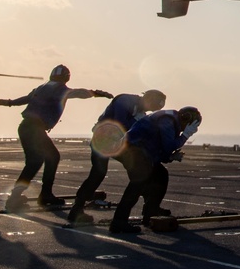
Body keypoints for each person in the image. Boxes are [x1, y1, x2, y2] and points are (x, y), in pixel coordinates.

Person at [0, 64, 112, 211]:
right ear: (66, 77)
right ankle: (43, 195)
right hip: (35, 129)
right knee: (50, 158)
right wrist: (95, 93)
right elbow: (77, 93)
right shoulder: (60, 88)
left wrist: (9, 103)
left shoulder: (41, 87)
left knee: (35, 162)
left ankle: (21, 195)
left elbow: (26, 99)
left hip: (25, 127)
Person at [67, 89, 167, 226]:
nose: (149, 110)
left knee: (142, 171)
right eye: (152, 107)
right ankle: (78, 210)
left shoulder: (141, 113)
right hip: (104, 139)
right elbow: (120, 124)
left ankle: (150, 208)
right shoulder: (125, 100)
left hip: (117, 142)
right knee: (99, 173)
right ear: (147, 99)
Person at [109, 106, 202, 234]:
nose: (189, 130)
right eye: (192, 127)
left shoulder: (170, 120)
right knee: (138, 182)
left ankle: (150, 212)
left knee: (160, 175)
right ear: (186, 119)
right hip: (132, 150)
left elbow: (161, 152)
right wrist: (185, 135)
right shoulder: (168, 121)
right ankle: (119, 221)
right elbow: (169, 146)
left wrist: (170, 157)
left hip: (138, 151)